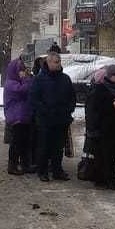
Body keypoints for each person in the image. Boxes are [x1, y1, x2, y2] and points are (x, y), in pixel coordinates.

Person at [29, 51, 76, 182]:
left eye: (59, 61)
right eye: (55, 62)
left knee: (58, 147)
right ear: (48, 62)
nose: (58, 64)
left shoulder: (65, 78)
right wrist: (45, 111)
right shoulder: (39, 79)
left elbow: (72, 97)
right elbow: (34, 99)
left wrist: (69, 110)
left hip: (62, 119)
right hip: (45, 120)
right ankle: (42, 171)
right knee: (44, 146)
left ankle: (57, 170)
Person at [87, 65, 115, 189]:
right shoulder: (101, 89)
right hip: (105, 127)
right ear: (109, 76)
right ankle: (107, 179)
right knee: (106, 155)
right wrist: (112, 105)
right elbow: (96, 109)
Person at [4, 58, 34, 175]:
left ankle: (25, 164)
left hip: (23, 116)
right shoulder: (11, 83)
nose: (23, 72)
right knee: (16, 143)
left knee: (25, 142)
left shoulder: (18, 82)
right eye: (21, 70)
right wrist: (27, 79)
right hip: (16, 117)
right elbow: (23, 90)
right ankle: (12, 166)